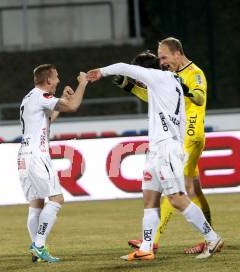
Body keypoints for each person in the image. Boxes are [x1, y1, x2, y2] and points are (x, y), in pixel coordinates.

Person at [87, 52, 223, 260]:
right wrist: (129, 86)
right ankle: (146, 248)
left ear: (145, 71)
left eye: (138, 75)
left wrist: (101, 72)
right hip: (157, 149)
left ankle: (212, 238)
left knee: (177, 199)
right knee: (150, 199)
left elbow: (123, 66)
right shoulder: (167, 82)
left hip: (167, 148)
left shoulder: (157, 77)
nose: (138, 80)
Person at [119, 38, 212, 254]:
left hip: (189, 134)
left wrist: (186, 88)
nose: (161, 62)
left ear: (177, 53)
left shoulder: (194, 73)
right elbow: (156, 99)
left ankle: (154, 239)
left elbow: (199, 98)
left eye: (164, 57)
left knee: (175, 190)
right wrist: (130, 87)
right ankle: (209, 238)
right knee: (193, 189)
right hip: (182, 136)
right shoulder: (169, 76)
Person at [18, 64, 88, 263]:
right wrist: (82, 84)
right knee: (56, 199)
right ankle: (39, 245)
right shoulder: (41, 96)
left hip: (24, 155)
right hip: (37, 155)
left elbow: (50, 115)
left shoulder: (30, 97)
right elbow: (73, 107)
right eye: (56, 77)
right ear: (48, 80)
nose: (58, 81)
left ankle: (37, 249)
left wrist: (65, 98)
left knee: (36, 203)